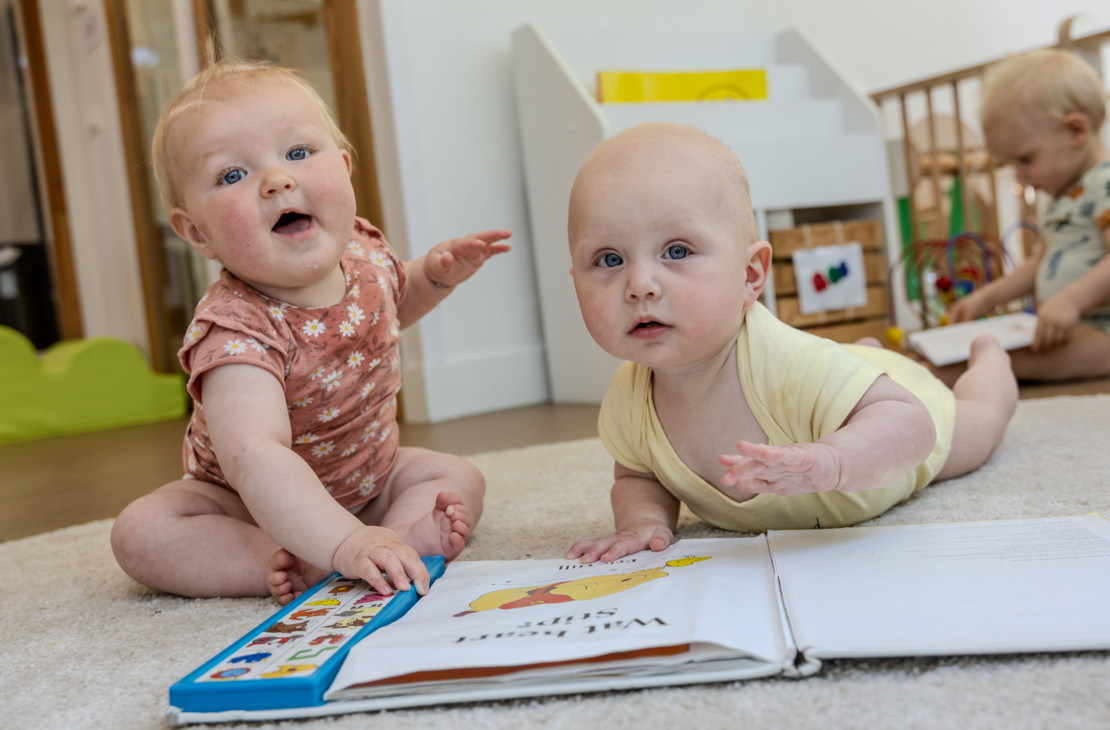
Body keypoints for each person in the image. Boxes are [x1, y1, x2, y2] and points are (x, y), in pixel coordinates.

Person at [110, 62, 511, 604]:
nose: (277, 179)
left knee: (454, 475)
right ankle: (284, 559)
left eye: (298, 152)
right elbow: (256, 454)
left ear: (344, 169)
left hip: (370, 478)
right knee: (143, 532)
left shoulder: (367, 255)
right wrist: (341, 541)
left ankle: (397, 537)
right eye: (233, 175)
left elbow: (390, 306)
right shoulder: (235, 332)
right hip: (249, 507)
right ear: (196, 232)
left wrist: (434, 279)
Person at [563, 122, 1017, 564]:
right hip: (837, 377)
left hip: (905, 412)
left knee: (979, 422)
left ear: (750, 275)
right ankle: (867, 355)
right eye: (609, 259)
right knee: (840, 375)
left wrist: (834, 460)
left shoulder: (788, 363)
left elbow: (912, 426)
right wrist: (642, 520)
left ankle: (990, 357)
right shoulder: (628, 400)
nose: (640, 285)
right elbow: (639, 475)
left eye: (676, 251)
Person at [946, 48, 1110, 381]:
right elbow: (1040, 264)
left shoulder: (1104, 183)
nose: (1019, 176)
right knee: (998, 349)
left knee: (1009, 359)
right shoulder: (1063, 199)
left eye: (1025, 159)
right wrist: (986, 298)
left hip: (1103, 331)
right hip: (1077, 328)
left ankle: (943, 376)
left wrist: (1071, 301)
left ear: (1075, 131)